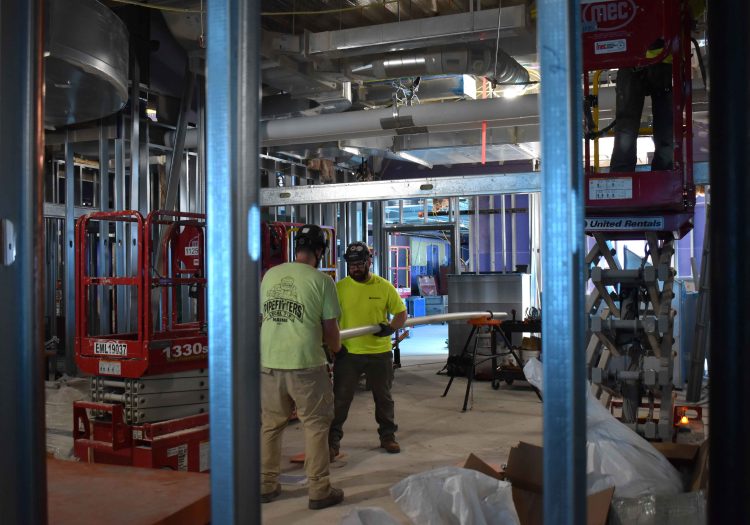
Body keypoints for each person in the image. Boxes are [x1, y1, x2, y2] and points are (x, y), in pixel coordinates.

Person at [260, 224, 344, 510]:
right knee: (316, 425)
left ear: (295, 249)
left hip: (270, 361)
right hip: (306, 363)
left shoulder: (270, 275)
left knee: (271, 426)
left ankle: (266, 484)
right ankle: (319, 489)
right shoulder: (322, 282)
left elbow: (266, 318)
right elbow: (330, 328)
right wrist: (336, 350)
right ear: (321, 251)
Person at [329, 242, 408, 458]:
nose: (354, 268)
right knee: (341, 399)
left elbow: (401, 313)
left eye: (359, 264)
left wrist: (391, 329)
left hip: (379, 353)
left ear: (368, 262)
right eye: (351, 265)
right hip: (349, 353)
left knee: (383, 398)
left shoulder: (383, 286)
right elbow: (330, 319)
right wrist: (333, 346)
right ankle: (332, 442)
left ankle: (388, 437)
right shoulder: (340, 288)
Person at [609, 0, 705, 173]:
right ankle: (662, 174)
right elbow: (696, 7)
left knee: (629, 126)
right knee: (664, 127)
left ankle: (622, 175)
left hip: (644, 59)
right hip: (657, 60)